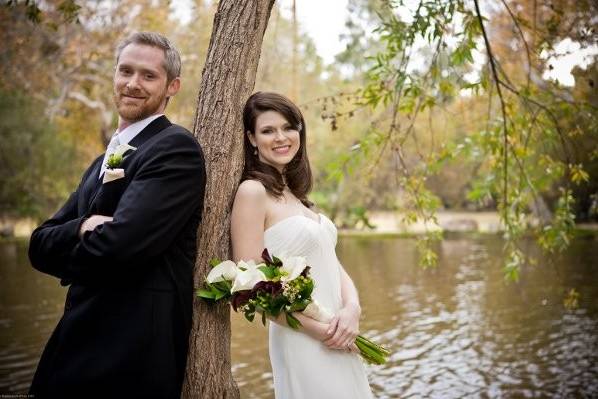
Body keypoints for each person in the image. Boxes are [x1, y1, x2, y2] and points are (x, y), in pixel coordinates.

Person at [27, 32, 206, 398]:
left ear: (172, 86)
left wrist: (71, 243)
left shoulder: (175, 148)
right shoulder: (103, 159)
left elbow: (121, 244)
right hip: (77, 336)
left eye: (148, 75)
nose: (132, 84)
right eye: (125, 71)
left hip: (132, 349)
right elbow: (38, 244)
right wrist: (83, 227)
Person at [231, 92, 373, 398]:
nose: (281, 137)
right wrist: (319, 331)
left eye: (288, 127)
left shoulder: (298, 196)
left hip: (339, 331)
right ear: (252, 139)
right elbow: (249, 286)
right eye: (268, 130)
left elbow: (332, 264)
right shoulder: (252, 192)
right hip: (304, 338)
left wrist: (352, 308)